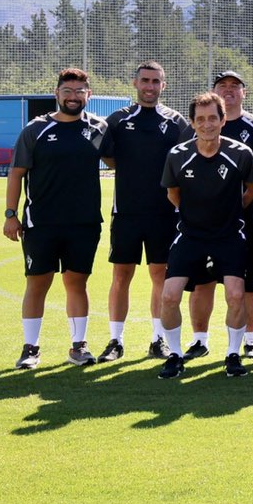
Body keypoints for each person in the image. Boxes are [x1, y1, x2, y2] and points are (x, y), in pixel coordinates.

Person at [2, 68, 106, 368]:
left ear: (88, 95)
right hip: (42, 222)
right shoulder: (36, 130)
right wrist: (10, 214)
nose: (73, 97)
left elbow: (115, 159)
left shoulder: (97, 129)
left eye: (80, 91)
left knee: (77, 284)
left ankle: (78, 346)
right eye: (68, 91)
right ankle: (31, 348)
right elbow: (16, 173)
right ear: (57, 94)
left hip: (84, 222)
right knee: (37, 283)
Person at [156, 92, 253, 379]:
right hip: (190, 235)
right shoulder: (178, 155)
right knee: (169, 295)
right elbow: (172, 193)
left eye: (213, 118)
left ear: (223, 120)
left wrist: (231, 213)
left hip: (229, 236)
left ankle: (233, 354)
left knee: (236, 295)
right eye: (200, 119)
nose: (207, 124)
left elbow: (251, 189)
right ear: (192, 123)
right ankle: (175, 355)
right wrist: (195, 216)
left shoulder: (240, 153)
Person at [99, 61, 190, 361]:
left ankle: (158, 339)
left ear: (164, 86)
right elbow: (110, 159)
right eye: (145, 81)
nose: (150, 86)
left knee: (160, 276)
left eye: (156, 81)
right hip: (125, 211)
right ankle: (115, 340)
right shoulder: (118, 120)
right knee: (121, 275)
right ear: (135, 83)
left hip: (164, 213)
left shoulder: (176, 122)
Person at [207, 70, 253, 360]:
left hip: (246, 221)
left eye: (235, 86)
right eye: (222, 86)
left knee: (248, 283)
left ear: (244, 92)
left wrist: (237, 207)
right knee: (203, 282)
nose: (228, 90)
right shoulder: (200, 124)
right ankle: (198, 340)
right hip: (203, 224)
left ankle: (252, 340)